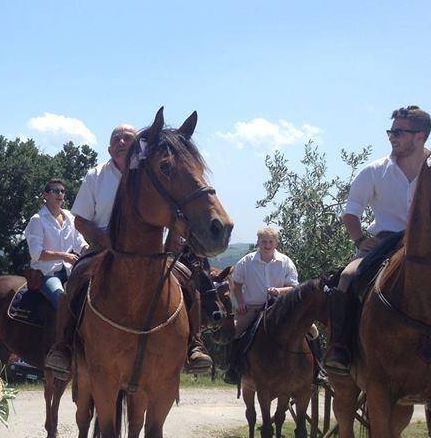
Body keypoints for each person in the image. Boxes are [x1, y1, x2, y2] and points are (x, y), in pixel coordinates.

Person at [45, 123, 212, 377]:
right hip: (103, 249)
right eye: (116, 138)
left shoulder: (149, 172)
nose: (122, 142)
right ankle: (64, 346)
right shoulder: (96, 175)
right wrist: (107, 240)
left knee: (188, 281)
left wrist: (171, 246)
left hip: (151, 252)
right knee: (76, 278)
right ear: (109, 148)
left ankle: (194, 345)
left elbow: (173, 212)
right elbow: (80, 220)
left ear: (138, 145)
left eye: (127, 138)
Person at [324, 106, 431, 375]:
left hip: (430, 246)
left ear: (420, 136)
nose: (391, 137)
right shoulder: (373, 171)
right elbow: (351, 214)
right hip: (383, 244)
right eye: (390, 131)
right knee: (347, 277)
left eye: (398, 132)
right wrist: (360, 240)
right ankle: (340, 349)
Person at [223, 228, 299, 384]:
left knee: (311, 330)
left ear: (276, 243)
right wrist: (241, 302)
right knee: (234, 332)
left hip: (279, 309)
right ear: (258, 242)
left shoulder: (285, 262)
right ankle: (233, 369)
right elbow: (236, 284)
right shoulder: (247, 261)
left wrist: (278, 290)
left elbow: (293, 287)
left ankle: (316, 370)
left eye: (271, 241)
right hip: (252, 308)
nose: (267, 245)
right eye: (264, 241)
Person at [23, 178, 88, 309]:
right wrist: (64, 256)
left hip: (72, 273)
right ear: (45, 195)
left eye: (62, 191)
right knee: (62, 303)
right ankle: (62, 330)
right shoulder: (37, 220)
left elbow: (80, 243)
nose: (60, 194)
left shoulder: (70, 217)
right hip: (47, 274)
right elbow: (36, 254)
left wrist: (90, 251)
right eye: (55, 191)